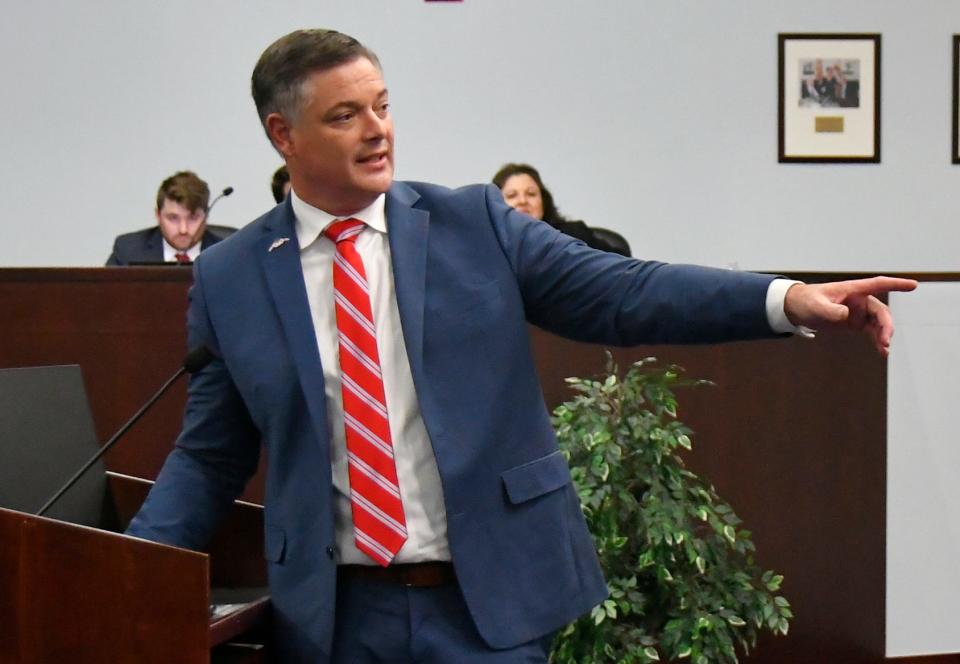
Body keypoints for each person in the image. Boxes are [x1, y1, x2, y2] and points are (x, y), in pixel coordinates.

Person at [125, 28, 915, 663]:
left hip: (484, 608)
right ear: (282, 135)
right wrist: (120, 577)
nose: (378, 131)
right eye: (345, 116)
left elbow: (623, 291)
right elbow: (208, 456)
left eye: (384, 105)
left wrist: (786, 298)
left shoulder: (472, 223)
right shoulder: (232, 276)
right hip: (335, 619)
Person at [493, 162, 631, 255]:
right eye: (512, 195)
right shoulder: (489, 248)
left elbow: (626, 268)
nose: (523, 201)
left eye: (531, 194)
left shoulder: (573, 234)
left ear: (543, 200)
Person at [106, 171, 231, 265]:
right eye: (173, 218)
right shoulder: (128, 250)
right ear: (158, 215)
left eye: (193, 218)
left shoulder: (227, 254)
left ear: (206, 216)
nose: (183, 230)